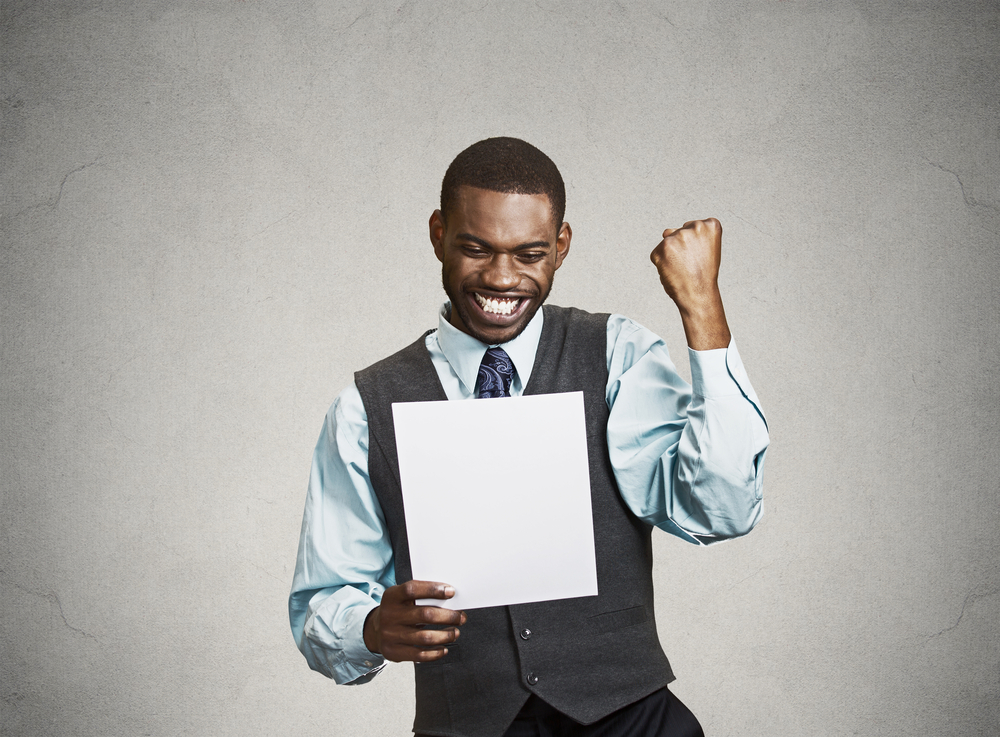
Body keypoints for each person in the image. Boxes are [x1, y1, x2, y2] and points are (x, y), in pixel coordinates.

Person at [289, 137, 768, 737]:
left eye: (529, 253)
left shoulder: (617, 356)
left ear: (561, 247)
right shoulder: (365, 408)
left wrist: (702, 309)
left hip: (632, 723)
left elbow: (719, 511)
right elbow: (321, 605)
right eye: (475, 248)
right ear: (438, 233)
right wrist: (369, 628)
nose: (502, 278)